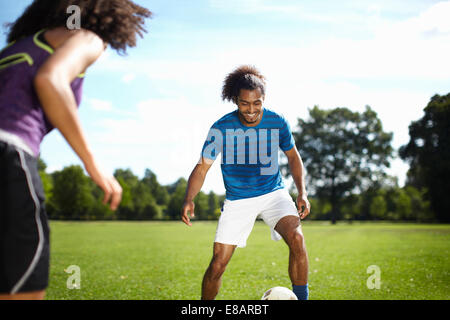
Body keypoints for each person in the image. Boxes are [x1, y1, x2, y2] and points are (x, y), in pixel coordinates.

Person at [0, 0, 152, 300]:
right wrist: (92, 163)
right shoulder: (85, 37)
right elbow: (51, 80)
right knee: (22, 292)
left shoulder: (15, 50)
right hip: (9, 154)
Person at [181, 65, 311, 300]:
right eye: (244, 103)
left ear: (264, 99)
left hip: (274, 194)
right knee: (218, 264)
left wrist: (302, 192)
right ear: (235, 101)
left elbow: (293, 156)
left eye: (257, 103)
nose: (251, 110)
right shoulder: (221, 128)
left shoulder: (277, 121)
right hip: (238, 200)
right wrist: (189, 198)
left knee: (297, 239)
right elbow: (202, 168)